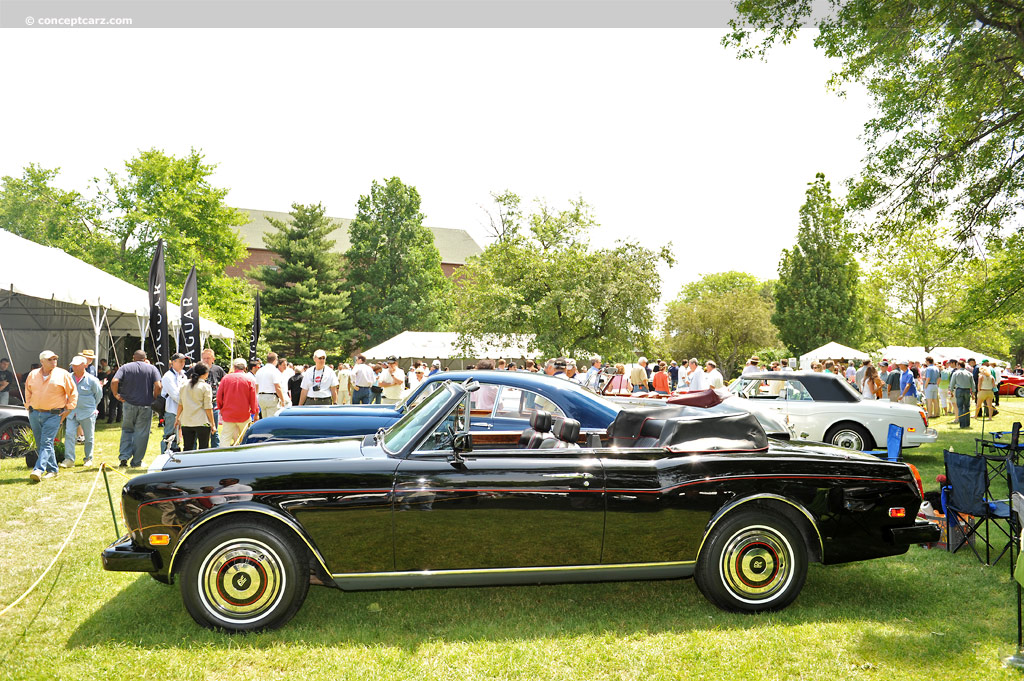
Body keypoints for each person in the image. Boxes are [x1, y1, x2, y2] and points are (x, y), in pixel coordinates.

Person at [25, 350, 77, 482]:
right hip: (35, 413)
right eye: (50, 359)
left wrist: (69, 408)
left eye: (55, 359)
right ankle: (53, 469)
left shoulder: (63, 374)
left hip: (54, 414)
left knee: (46, 442)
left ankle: (38, 469)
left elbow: (73, 392)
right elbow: (28, 391)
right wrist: (29, 406)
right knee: (41, 443)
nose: (54, 361)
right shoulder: (33, 374)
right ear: (42, 361)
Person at [110, 349, 162, 468]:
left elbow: (114, 381)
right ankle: (136, 461)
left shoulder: (125, 367)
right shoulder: (152, 368)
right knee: (142, 433)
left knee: (127, 430)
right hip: (145, 405)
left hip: (128, 404)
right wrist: (154, 397)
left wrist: (116, 394)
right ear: (145, 358)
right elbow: (158, 385)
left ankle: (124, 457)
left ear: (134, 357)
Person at [64, 355, 103, 467]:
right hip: (71, 412)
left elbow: (98, 395)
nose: (74, 367)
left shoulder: (92, 380)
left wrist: (92, 407)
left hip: (87, 412)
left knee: (89, 437)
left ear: (84, 365)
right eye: (73, 365)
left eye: (77, 365)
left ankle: (88, 458)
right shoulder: (68, 378)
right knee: (69, 435)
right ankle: (69, 459)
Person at [217, 358, 259, 446]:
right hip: (243, 413)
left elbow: (219, 396)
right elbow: (253, 398)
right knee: (245, 437)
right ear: (245, 367)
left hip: (228, 413)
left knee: (225, 437)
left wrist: (220, 408)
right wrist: (254, 411)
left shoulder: (226, 378)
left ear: (234, 367)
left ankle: (222, 457)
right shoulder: (249, 379)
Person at [176, 362, 216, 451]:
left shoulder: (184, 385)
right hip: (202, 421)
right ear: (206, 374)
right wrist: (212, 424)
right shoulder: (205, 387)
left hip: (186, 421)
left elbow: (180, 403)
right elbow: (208, 407)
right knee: (203, 448)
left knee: (187, 448)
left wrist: (177, 418)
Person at [159, 353, 187, 455]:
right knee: (169, 435)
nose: (182, 363)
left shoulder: (183, 374)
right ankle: (164, 456)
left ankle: (174, 454)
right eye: (180, 361)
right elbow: (175, 395)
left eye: (184, 361)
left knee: (177, 436)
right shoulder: (168, 376)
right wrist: (188, 403)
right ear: (173, 362)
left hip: (181, 410)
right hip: (171, 410)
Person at [201, 348, 227, 448]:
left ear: (213, 359)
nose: (206, 360)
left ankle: (216, 451)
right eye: (204, 358)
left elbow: (225, 381)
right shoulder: (197, 368)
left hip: (214, 402)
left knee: (214, 429)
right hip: (200, 403)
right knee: (201, 430)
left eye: (208, 358)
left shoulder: (217, 369)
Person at [255, 352, 287, 418]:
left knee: (264, 419)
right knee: (272, 420)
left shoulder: (260, 370)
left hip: (261, 397)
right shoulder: (274, 371)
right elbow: (278, 387)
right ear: (275, 360)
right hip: (271, 397)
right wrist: (283, 400)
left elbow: (256, 386)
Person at [949, 360, 975, 428]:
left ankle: (962, 424)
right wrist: (973, 393)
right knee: (967, 407)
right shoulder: (969, 373)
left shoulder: (956, 373)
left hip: (959, 390)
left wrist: (951, 390)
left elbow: (952, 383)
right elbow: (973, 384)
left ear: (959, 365)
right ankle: (967, 423)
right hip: (967, 390)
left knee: (960, 407)